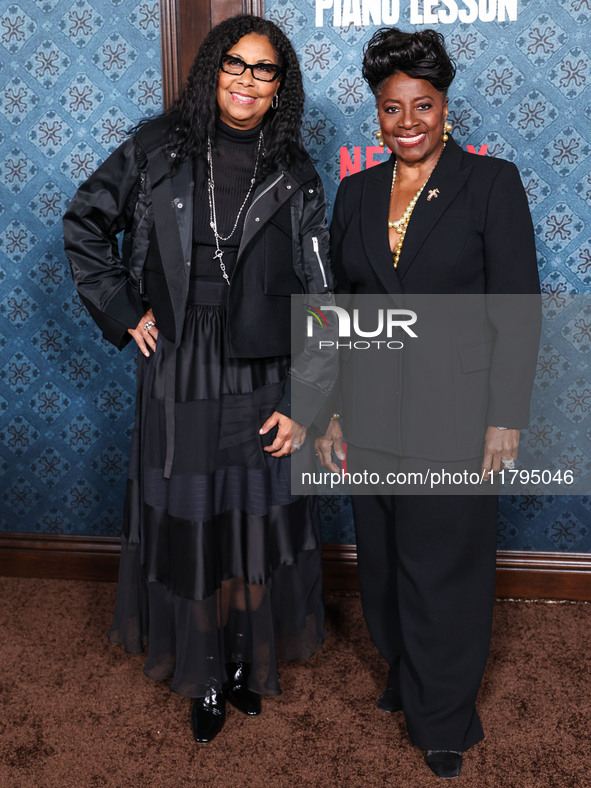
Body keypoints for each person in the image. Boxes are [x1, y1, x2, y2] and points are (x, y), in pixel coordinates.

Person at [63, 14, 334, 744]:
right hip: (180, 359)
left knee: (254, 516)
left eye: (264, 70)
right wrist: (124, 309)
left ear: (280, 88)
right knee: (191, 519)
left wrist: (306, 401)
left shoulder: (297, 172)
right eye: (234, 65)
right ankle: (204, 669)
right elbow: (85, 222)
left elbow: (322, 297)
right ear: (212, 70)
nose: (247, 80)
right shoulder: (155, 149)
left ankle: (246, 661)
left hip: (264, 366)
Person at [315, 28, 540, 779]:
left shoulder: (490, 183)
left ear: (444, 106)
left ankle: (443, 716)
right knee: (380, 563)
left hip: (456, 414)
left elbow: (517, 310)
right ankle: (406, 672)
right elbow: (339, 312)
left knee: (442, 567)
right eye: (390, 108)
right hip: (371, 412)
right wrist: (329, 411)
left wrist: (504, 415)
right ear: (374, 115)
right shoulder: (355, 193)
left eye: (422, 104)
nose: (406, 121)